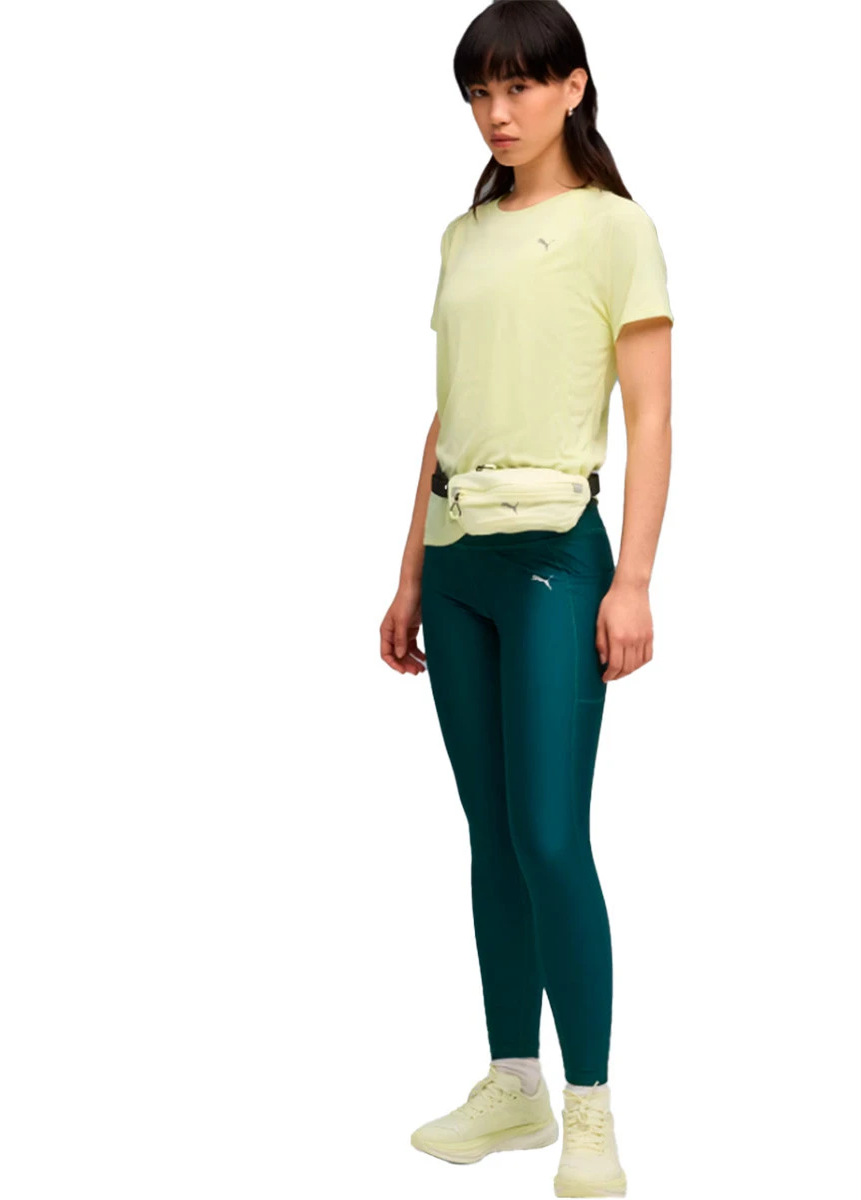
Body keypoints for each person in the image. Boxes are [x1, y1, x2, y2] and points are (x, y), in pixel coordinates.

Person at [379, 4, 673, 1196]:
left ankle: (591, 1108)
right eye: (478, 94)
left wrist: (635, 576)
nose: (497, 114)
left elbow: (651, 413)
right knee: (490, 833)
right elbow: (448, 413)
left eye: (517, 87)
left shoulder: (615, 229)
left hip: (558, 554)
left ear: (573, 86)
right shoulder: (461, 236)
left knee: (550, 834)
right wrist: (409, 571)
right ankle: (514, 1085)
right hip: (457, 564)